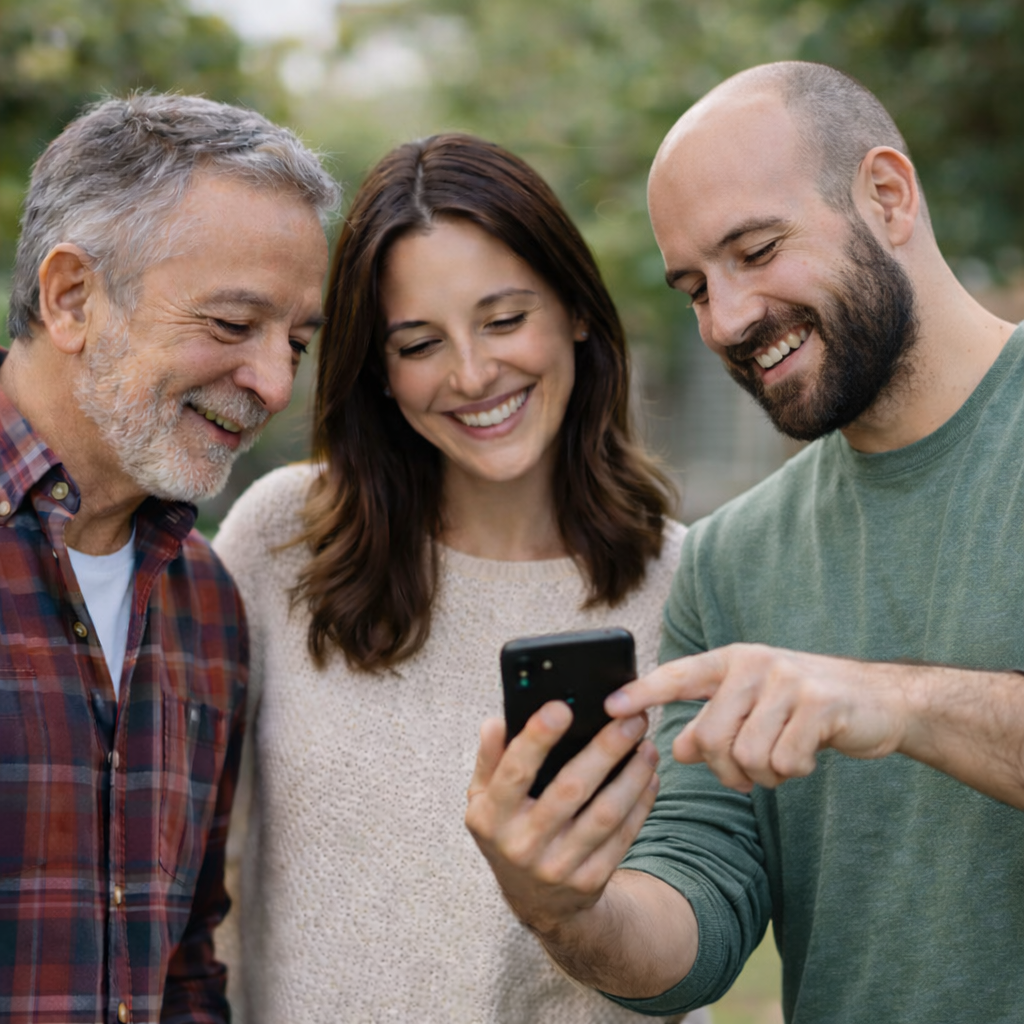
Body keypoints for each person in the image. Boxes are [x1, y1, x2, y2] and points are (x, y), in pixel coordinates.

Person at [466, 61, 1024, 1023]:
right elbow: (695, 932)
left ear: (888, 196)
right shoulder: (729, 561)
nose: (727, 320)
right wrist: (564, 907)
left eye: (757, 250)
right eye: (694, 288)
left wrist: (898, 703)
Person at [212, 133, 709, 1023]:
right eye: (419, 342)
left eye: (505, 320)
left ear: (577, 311)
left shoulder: (689, 583)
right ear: (379, 368)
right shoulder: (280, 538)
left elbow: (700, 923)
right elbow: (202, 867)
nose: (474, 374)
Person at [0, 94, 336, 1023]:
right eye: (231, 325)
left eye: (296, 342)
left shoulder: (208, 602)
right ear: (73, 297)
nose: (274, 383)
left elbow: (185, 965)